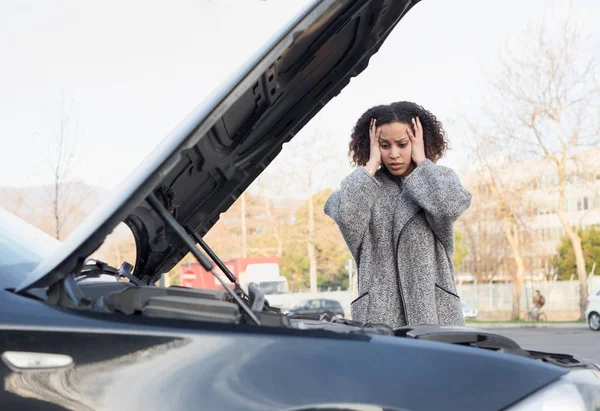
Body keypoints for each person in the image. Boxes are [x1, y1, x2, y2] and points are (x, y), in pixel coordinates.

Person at [324, 102, 472, 328]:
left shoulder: (437, 180)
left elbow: (449, 206)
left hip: (433, 311)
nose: (394, 154)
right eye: (384, 145)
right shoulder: (365, 188)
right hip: (380, 313)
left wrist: (422, 162)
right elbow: (347, 217)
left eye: (403, 144)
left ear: (419, 141)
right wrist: (371, 164)